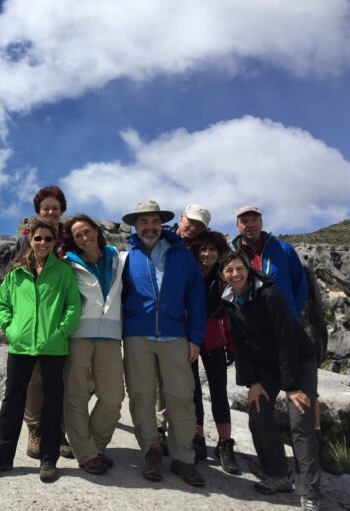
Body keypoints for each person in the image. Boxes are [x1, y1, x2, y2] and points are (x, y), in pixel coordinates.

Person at [232, 206, 342, 476]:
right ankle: (278, 470)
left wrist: (287, 313)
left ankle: (317, 446)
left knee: (306, 398)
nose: (250, 225)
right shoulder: (234, 255)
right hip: (260, 341)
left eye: (254, 219)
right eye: (244, 221)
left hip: (288, 331)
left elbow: (299, 285)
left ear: (261, 222)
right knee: (263, 407)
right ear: (237, 226)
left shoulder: (283, 250)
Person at [219, 251, 322, 511]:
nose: (235, 274)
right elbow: (241, 345)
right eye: (229, 270)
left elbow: (286, 339)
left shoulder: (268, 295)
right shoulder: (230, 300)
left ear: (248, 270)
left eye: (239, 268)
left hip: (298, 359)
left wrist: (292, 387)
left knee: (300, 419)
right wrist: (252, 381)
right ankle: (278, 475)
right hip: (266, 365)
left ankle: (309, 491)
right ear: (223, 275)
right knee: (258, 411)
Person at [0, 218, 81, 483]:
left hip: (53, 347)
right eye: (38, 238)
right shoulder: (15, 274)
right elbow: (2, 305)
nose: (43, 243)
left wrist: (59, 332)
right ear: (30, 240)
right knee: (12, 403)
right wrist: (11, 330)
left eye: (48, 239)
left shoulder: (63, 272)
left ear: (54, 242)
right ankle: (0, 459)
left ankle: (48, 459)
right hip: (20, 346)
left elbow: (73, 307)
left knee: (51, 404)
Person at [121, 200, 207, 487]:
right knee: (141, 396)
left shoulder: (182, 255)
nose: (149, 227)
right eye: (143, 222)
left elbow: (196, 298)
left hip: (175, 335)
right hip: (137, 334)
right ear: (136, 226)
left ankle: (183, 458)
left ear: (162, 223)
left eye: (154, 221)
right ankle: (151, 452)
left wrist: (195, 338)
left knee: (181, 398)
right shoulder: (125, 257)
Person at [62, 214, 126, 475]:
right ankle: (86, 453)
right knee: (76, 395)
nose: (85, 238)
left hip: (110, 335)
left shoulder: (118, 258)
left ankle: (97, 446)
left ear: (96, 231)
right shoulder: (68, 264)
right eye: (78, 235)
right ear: (74, 241)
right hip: (79, 336)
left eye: (87, 231)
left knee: (113, 397)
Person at [16, 186, 75, 459]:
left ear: (62, 209)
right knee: (35, 380)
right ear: (38, 212)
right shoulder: (28, 238)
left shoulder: (71, 237)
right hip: (34, 324)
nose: (50, 212)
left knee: (62, 379)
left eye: (55, 207)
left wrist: (65, 326)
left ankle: (59, 430)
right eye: (45, 208)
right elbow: (15, 278)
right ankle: (35, 430)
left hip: (65, 319)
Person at [156, 203, 211, 454]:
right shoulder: (160, 239)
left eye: (199, 225)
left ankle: (193, 436)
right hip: (160, 324)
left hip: (186, 329)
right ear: (181, 217)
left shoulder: (203, 251)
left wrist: (196, 337)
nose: (193, 226)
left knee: (189, 385)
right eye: (191, 220)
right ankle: (159, 431)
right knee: (159, 382)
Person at [188, 231, 240, 474]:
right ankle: (198, 439)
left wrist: (232, 344)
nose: (207, 254)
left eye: (212, 250)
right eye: (203, 249)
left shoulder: (223, 278)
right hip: (189, 338)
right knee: (193, 390)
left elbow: (230, 313)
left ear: (219, 254)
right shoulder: (190, 273)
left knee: (219, 391)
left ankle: (224, 443)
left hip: (215, 339)